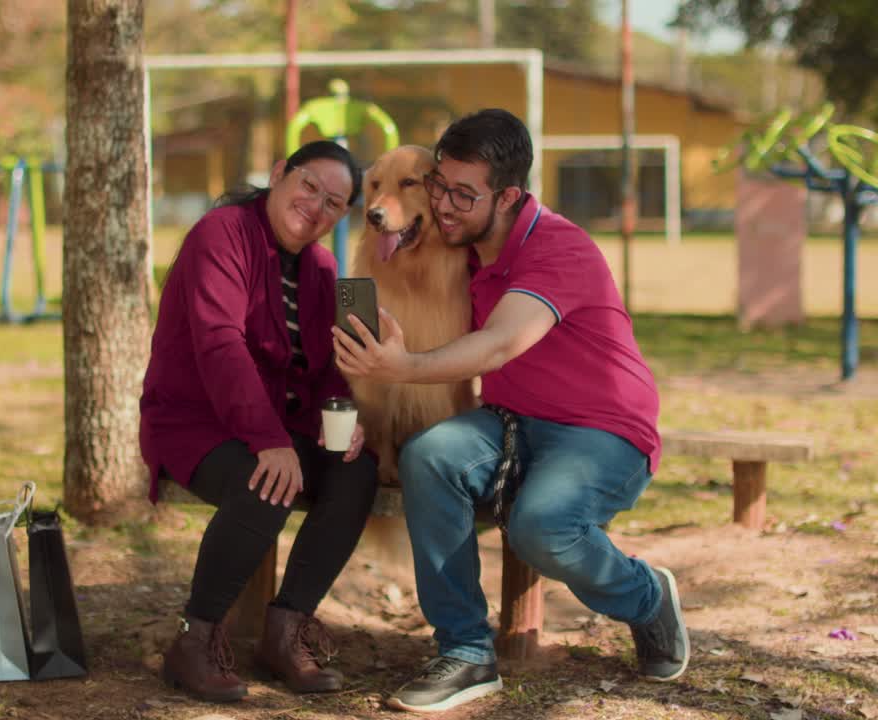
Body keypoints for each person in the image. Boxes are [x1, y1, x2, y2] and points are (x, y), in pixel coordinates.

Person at [332, 109, 689, 713]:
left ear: (509, 196)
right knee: (430, 455)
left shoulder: (558, 246)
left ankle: (646, 597)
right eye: (440, 186)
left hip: (602, 431)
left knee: (540, 527)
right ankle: (466, 650)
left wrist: (404, 368)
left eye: (463, 195)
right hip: (512, 423)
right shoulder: (458, 247)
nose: (445, 206)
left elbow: (500, 343)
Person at [141, 140, 379, 703]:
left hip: (275, 422)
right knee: (266, 480)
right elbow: (220, 343)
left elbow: (324, 368)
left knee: (356, 470)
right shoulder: (221, 232)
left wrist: (339, 417)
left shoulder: (322, 266)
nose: (316, 206)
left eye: (334, 202)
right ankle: (194, 640)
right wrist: (270, 441)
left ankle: (286, 629)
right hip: (194, 419)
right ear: (279, 175)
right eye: (309, 187)